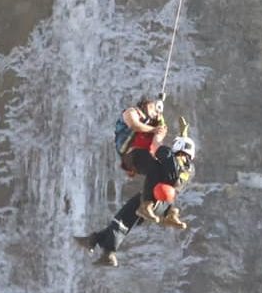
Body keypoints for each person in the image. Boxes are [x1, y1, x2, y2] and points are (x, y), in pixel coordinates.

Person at [77, 129, 197, 266]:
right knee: (126, 217)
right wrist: (184, 135)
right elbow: (176, 170)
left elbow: (156, 146)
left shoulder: (169, 155)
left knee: (150, 164)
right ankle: (96, 242)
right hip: (163, 204)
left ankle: (146, 206)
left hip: (152, 198)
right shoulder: (189, 169)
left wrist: (158, 135)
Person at [116, 96, 167, 176]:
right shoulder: (132, 111)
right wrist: (153, 129)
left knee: (164, 170)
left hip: (142, 155)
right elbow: (134, 125)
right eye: (151, 107)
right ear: (144, 105)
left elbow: (157, 142)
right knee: (157, 170)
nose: (154, 112)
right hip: (132, 154)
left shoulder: (153, 123)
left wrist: (161, 126)